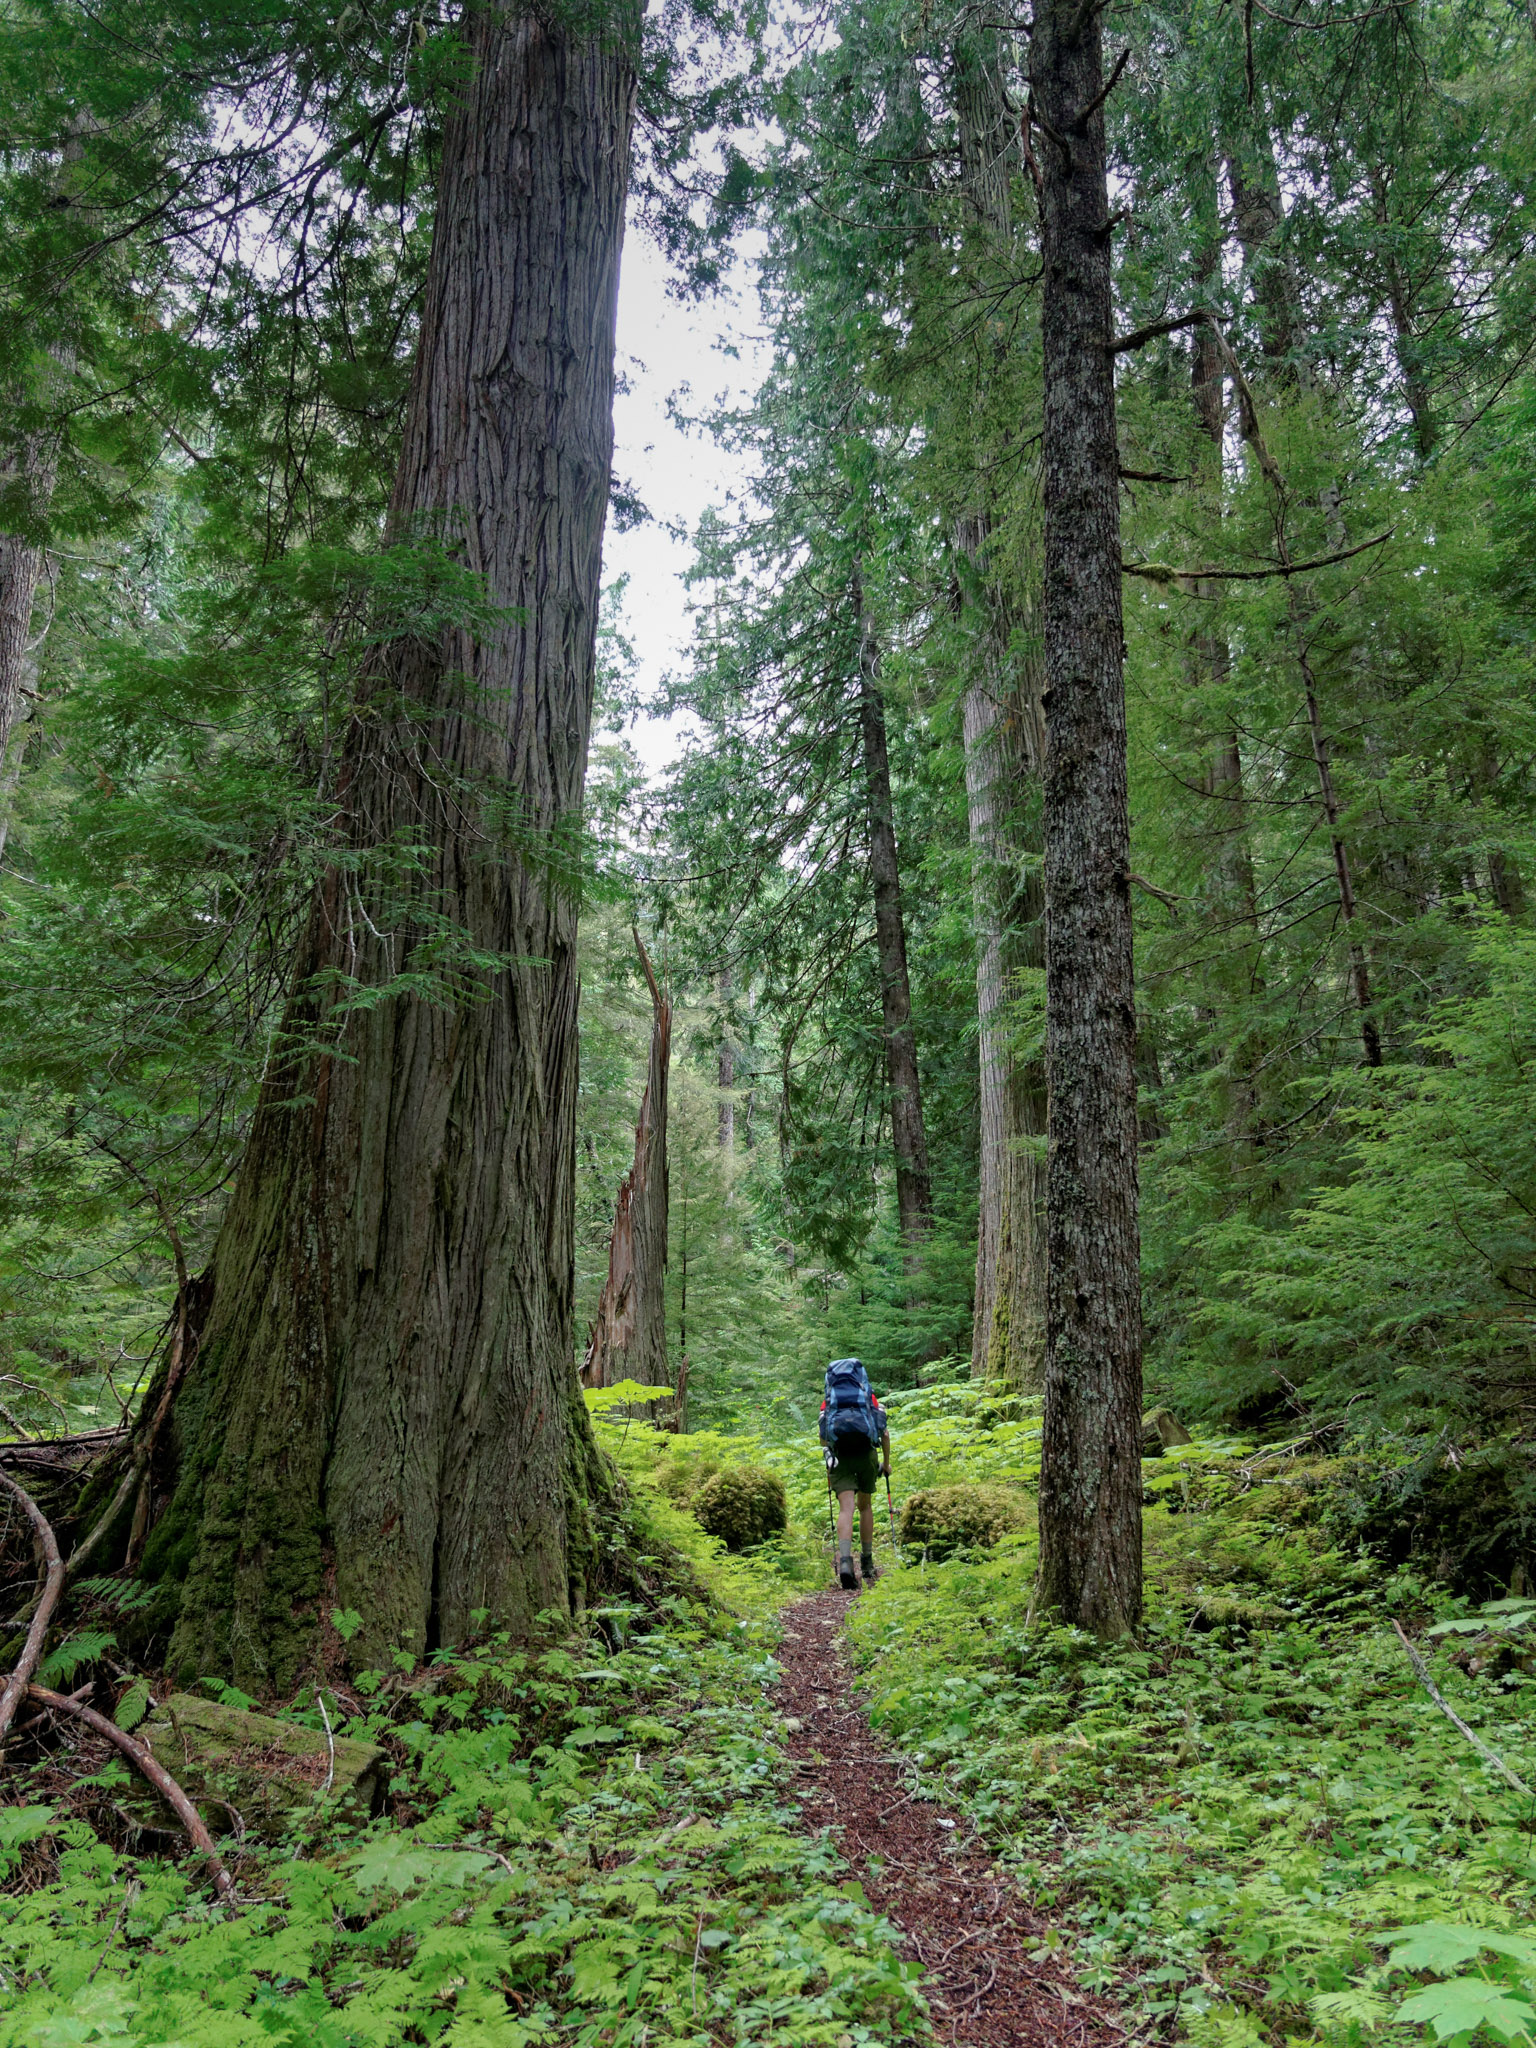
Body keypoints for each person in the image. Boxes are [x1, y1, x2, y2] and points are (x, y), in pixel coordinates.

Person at [818, 1357, 890, 1590]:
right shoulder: (868, 1397)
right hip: (866, 1455)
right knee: (865, 1506)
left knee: (846, 1508)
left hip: (840, 1458)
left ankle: (846, 1564)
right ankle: (867, 1564)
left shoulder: (829, 1401)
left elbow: (823, 1437)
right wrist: (886, 1464)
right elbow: (884, 1434)